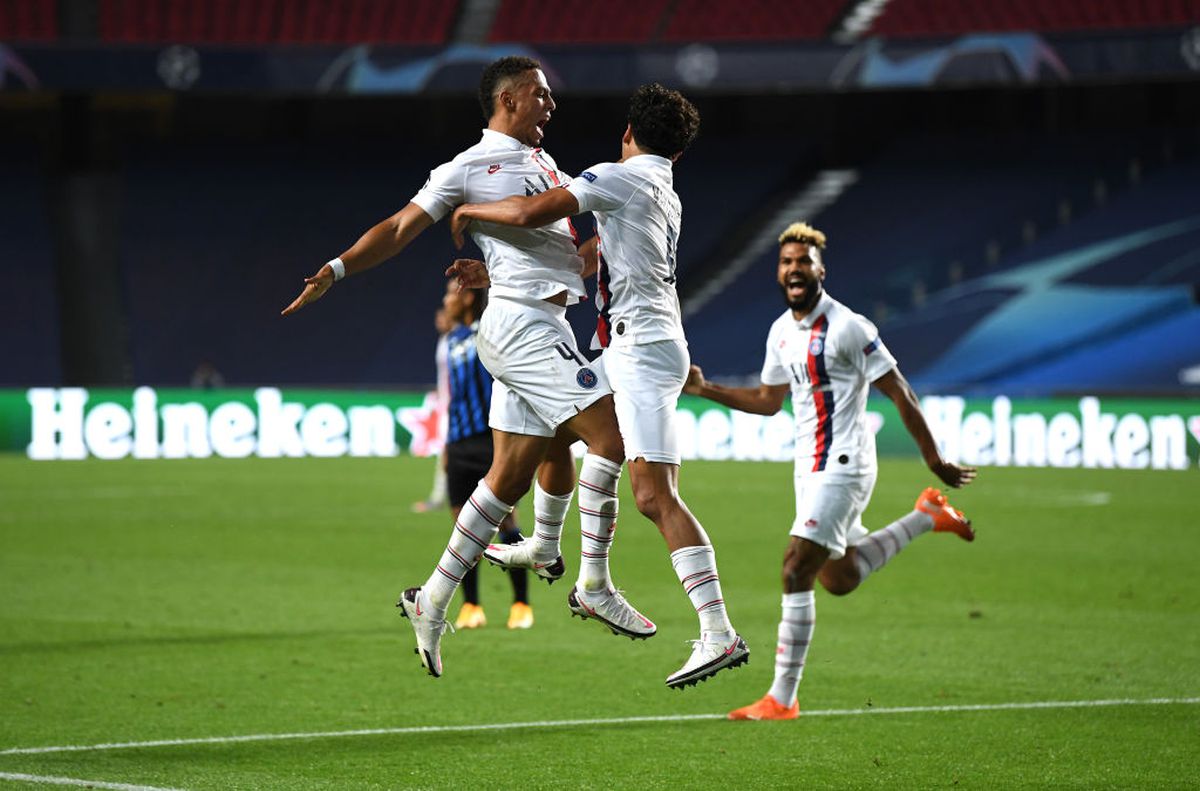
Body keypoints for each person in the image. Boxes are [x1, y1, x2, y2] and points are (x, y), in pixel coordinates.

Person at [282, 56, 654, 679]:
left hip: (543, 320)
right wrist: (336, 270)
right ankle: (590, 580)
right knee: (612, 435)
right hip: (522, 328)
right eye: (541, 95)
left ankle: (431, 598)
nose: (551, 105)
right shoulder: (465, 169)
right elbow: (401, 226)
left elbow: (567, 261)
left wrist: (621, 234)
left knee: (509, 478)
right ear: (508, 99)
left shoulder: (546, 166)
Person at [448, 83, 748, 689]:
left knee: (654, 494)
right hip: (630, 347)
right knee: (557, 417)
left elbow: (538, 210)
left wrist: (472, 212)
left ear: (628, 133)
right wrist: (498, 271)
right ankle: (568, 564)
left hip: (640, 351)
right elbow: (592, 256)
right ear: (679, 152)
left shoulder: (619, 175)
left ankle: (716, 630)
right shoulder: (658, 186)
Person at [682, 221, 978, 719]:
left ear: (821, 269)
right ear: (778, 273)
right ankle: (927, 515)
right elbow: (767, 400)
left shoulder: (849, 327)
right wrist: (704, 388)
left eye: (803, 262)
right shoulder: (781, 332)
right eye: (786, 262)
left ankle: (782, 697)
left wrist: (934, 458)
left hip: (846, 462)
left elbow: (899, 392)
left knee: (795, 566)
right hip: (809, 466)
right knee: (837, 579)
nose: (794, 270)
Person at [440, 280, 533, 630]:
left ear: (466, 296)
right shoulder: (451, 339)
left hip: (489, 443)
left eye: (450, 293)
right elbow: (452, 397)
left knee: (506, 522)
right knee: (462, 528)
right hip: (458, 444)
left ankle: (521, 603)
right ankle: (471, 606)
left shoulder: (488, 332)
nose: (446, 300)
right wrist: (446, 448)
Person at [412, 307, 453, 513]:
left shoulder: (458, 342)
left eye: (443, 317)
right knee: (447, 453)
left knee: (448, 453)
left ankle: (439, 497)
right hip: (447, 406)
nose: (439, 321)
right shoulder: (444, 341)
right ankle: (439, 496)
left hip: (457, 408)